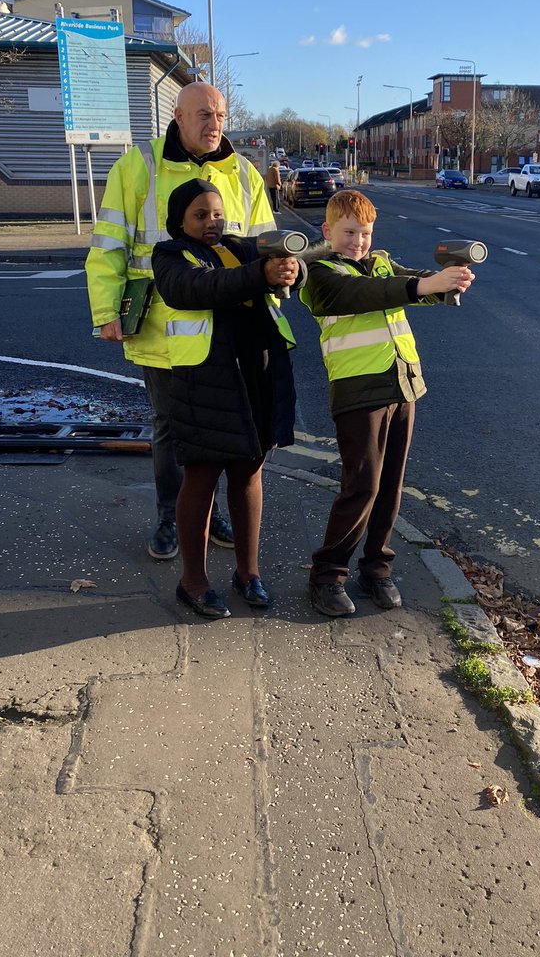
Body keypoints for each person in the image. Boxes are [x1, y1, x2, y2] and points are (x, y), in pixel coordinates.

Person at [86, 83, 275, 561]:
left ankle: (211, 513)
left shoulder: (243, 173)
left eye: (220, 115)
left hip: (229, 328)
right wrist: (108, 312)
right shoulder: (139, 166)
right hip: (160, 324)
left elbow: (266, 248)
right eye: (204, 115)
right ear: (177, 115)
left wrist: (273, 301)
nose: (214, 124)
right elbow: (109, 243)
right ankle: (171, 516)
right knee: (171, 427)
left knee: (226, 422)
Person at [299, 189, 475, 617]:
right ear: (328, 231)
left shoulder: (379, 262)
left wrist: (448, 282)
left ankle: (376, 567)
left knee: (390, 487)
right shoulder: (318, 272)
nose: (358, 241)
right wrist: (424, 284)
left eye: (365, 233)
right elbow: (365, 295)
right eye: (349, 232)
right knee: (361, 487)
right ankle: (327, 575)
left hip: (402, 385)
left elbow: (408, 284)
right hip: (359, 391)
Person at [151, 179, 302, 618]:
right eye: (200, 215)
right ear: (179, 220)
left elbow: (289, 268)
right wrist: (261, 273)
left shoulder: (244, 246)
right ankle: (192, 582)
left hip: (255, 375)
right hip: (206, 383)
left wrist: (294, 269)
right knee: (200, 480)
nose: (211, 222)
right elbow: (198, 288)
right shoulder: (170, 256)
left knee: (249, 474)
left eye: (216, 213)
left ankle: (247, 573)